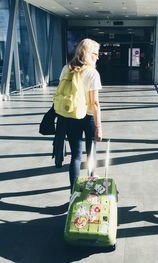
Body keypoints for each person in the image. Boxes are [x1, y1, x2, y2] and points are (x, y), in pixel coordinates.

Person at [56, 38, 103, 191]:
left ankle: (74, 193)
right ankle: (89, 187)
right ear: (89, 54)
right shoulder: (92, 73)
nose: (98, 57)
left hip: (69, 116)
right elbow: (94, 103)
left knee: (75, 157)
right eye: (96, 53)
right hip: (88, 117)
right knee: (91, 154)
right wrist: (99, 127)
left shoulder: (66, 68)